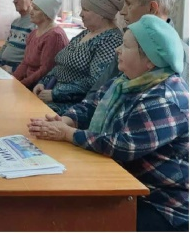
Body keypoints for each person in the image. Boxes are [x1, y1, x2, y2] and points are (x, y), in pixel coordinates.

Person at [28, 15, 189, 232]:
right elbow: (90, 105)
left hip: (160, 203)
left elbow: (124, 146)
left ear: (150, 59)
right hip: (124, 182)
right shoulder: (125, 81)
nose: (117, 50)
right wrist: (64, 120)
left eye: (126, 46)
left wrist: (67, 133)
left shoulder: (165, 99)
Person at [84, 0, 189, 101]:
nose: (122, 12)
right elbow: (99, 89)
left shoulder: (181, 55)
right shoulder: (127, 42)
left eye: (129, 4)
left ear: (152, 8)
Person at [33, 0, 124, 115]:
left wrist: (56, 94)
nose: (81, 14)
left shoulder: (111, 40)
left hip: (76, 106)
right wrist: (43, 82)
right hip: (52, 95)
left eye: (85, 10)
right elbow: (61, 64)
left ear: (101, 14)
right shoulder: (86, 32)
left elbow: (96, 82)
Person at [13, 0, 69, 89]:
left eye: (36, 9)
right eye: (32, 7)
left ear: (47, 14)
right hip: (27, 83)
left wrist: (22, 84)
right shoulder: (34, 33)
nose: (31, 12)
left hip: (39, 87)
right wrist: (13, 81)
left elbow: (45, 70)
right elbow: (25, 63)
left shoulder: (54, 36)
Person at [0, 0, 39, 72]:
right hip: (4, 67)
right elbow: (7, 45)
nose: (14, 1)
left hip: (16, 71)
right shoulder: (15, 22)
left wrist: (13, 70)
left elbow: (34, 61)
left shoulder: (36, 25)